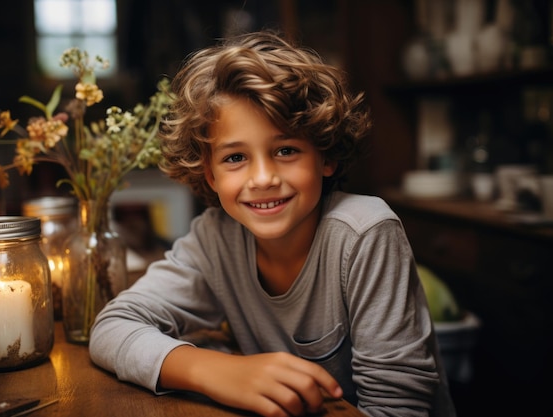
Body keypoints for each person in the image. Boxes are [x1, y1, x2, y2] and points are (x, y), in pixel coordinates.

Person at [89, 30, 456, 417]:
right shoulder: (215, 238)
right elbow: (113, 326)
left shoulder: (366, 233)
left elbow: (400, 409)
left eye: (286, 150)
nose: (262, 178)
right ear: (211, 175)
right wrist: (217, 372)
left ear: (325, 157)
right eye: (234, 158)